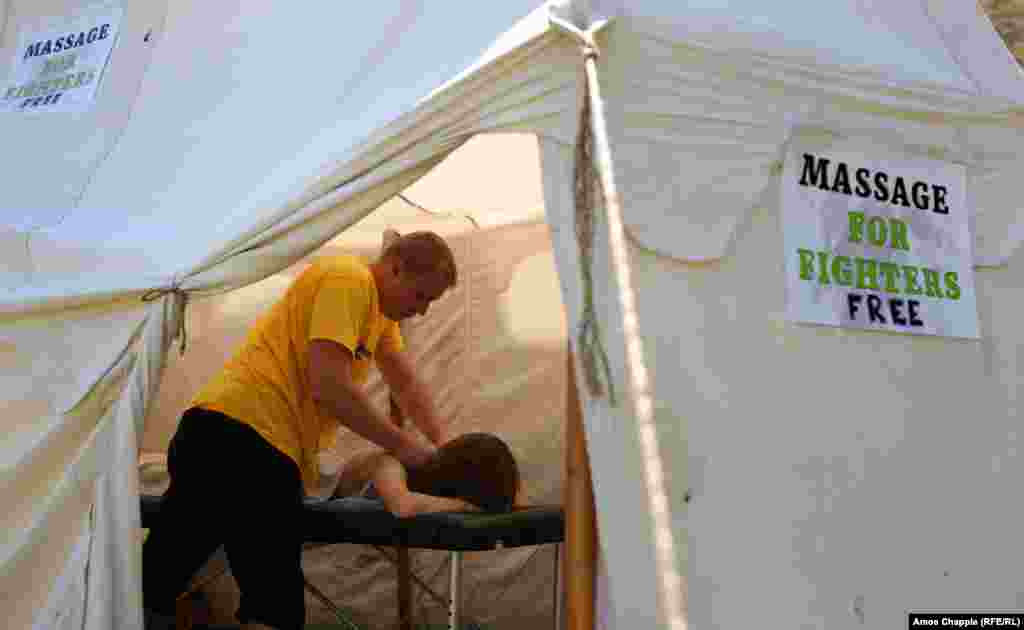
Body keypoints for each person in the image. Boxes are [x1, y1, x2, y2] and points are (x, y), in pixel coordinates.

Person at [142, 231, 458, 630]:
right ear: (394, 268)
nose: (423, 311)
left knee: (158, 581)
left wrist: (444, 447)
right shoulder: (348, 280)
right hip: (242, 440)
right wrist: (406, 446)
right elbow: (329, 385)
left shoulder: (379, 314)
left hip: (230, 437)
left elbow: (406, 383)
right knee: (272, 606)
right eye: (421, 297)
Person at [333, 432, 522, 517]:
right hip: (313, 496)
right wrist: (466, 505)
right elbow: (403, 507)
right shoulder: (390, 464)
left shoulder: (432, 477)